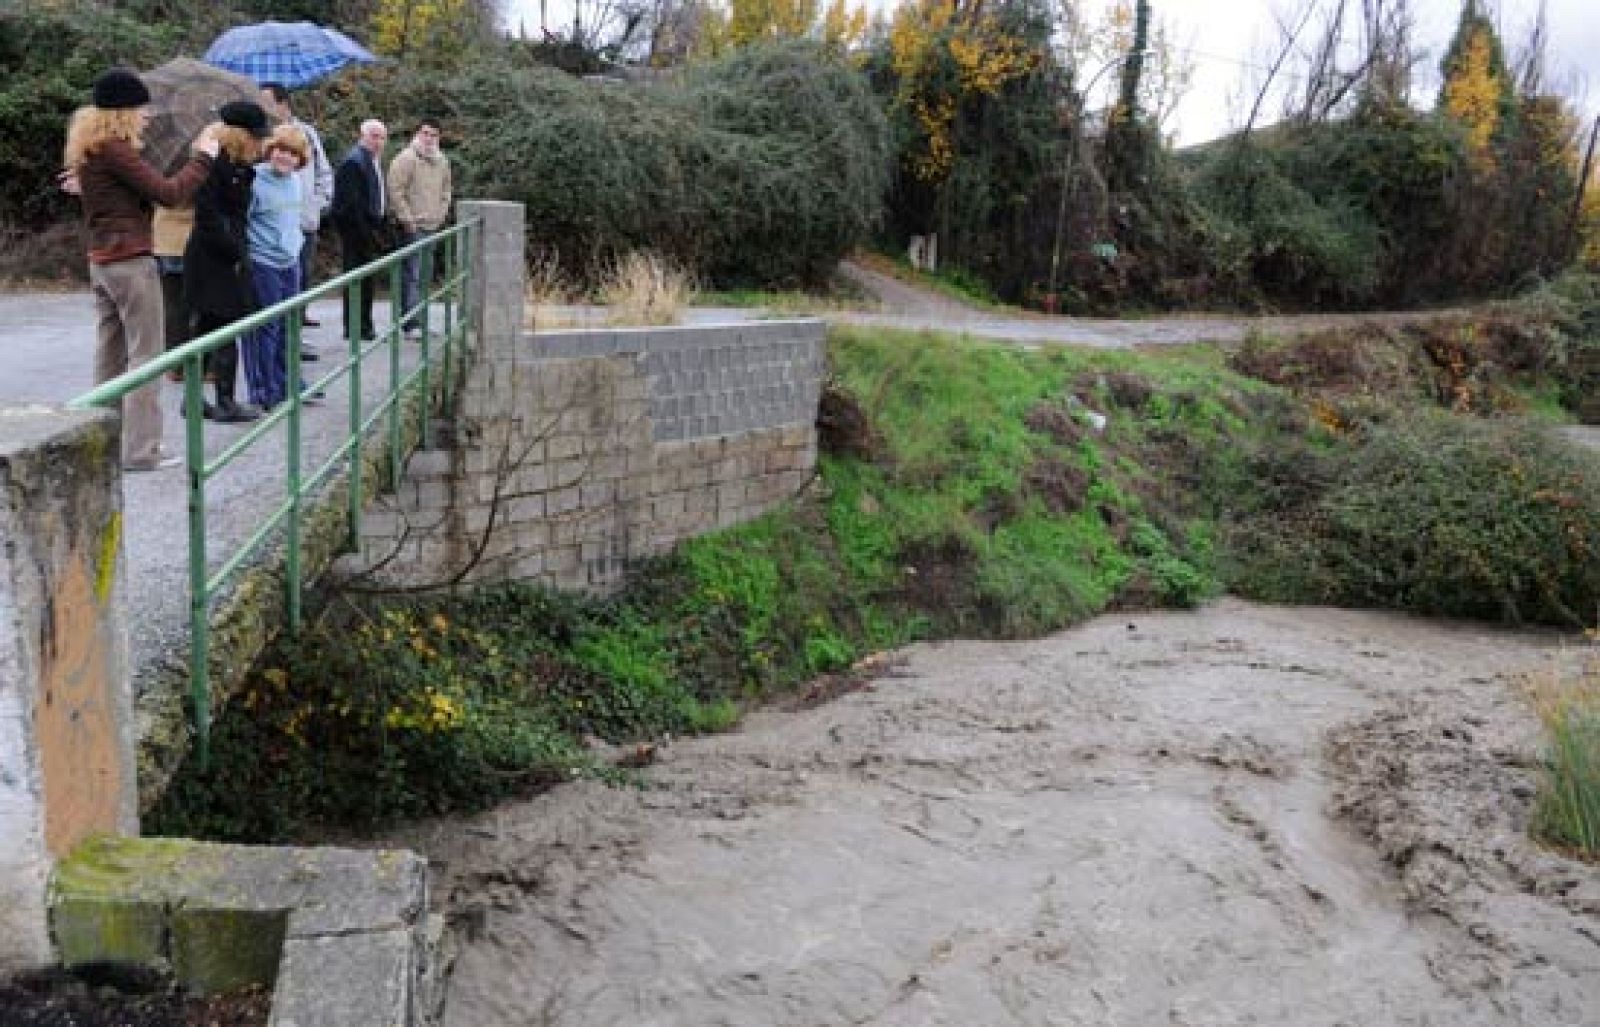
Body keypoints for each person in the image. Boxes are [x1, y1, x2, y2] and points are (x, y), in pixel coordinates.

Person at [63, 67, 217, 471]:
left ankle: (99, 442)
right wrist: (203, 156)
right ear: (124, 111)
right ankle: (141, 451)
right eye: (141, 108)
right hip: (130, 263)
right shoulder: (114, 149)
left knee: (110, 358)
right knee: (146, 356)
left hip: (103, 263)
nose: (147, 115)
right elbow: (169, 193)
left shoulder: (90, 148)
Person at [184, 100, 271, 423]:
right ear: (240, 136)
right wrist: (234, 252)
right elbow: (207, 215)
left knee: (213, 327)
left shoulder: (239, 167)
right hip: (214, 256)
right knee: (220, 326)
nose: (261, 143)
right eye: (255, 137)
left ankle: (200, 400)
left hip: (226, 250)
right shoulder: (213, 164)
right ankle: (224, 400)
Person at [258, 83, 332, 335]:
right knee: (275, 295)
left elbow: (323, 171)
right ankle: (285, 343)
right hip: (272, 226)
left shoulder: (307, 134)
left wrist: (316, 205)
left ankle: (295, 338)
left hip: (303, 219)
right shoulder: (263, 136)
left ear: (284, 104)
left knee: (300, 280)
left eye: (268, 101)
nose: (263, 107)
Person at [245, 125, 309, 410]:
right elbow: (243, 221)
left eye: (292, 153)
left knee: (288, 325)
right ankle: (263, 389)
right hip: (263, 261)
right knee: (265, 327)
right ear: (270, 150)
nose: (285, 157)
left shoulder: (296, 180)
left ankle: (286, 382)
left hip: (290, 260)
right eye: (281, 150)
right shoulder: (255, 180)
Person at [386, 118, 452, 335]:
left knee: (425, 275)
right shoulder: (406, 158)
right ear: (417, 134)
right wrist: (407, 220)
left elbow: (446, 190)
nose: (429, 138)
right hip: (412, 227)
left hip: (432, 226)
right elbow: (395, 190)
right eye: (425, 133)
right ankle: (410, 324)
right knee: (412, 275)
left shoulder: (442, 160)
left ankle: (421, 321)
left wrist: (441, 215)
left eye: (433, 134)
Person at [331, 119, 388, 341]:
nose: (378, 141)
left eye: (382, 137)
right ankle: (356, 326)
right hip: (357, 232)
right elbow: (348, 205)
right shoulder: (354, 162)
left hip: (370, 228)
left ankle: (365, 325)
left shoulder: (370, 160)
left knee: (366, 281)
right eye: (374, 136)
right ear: (362, 136)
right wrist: (365, 233)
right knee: (357, 280)